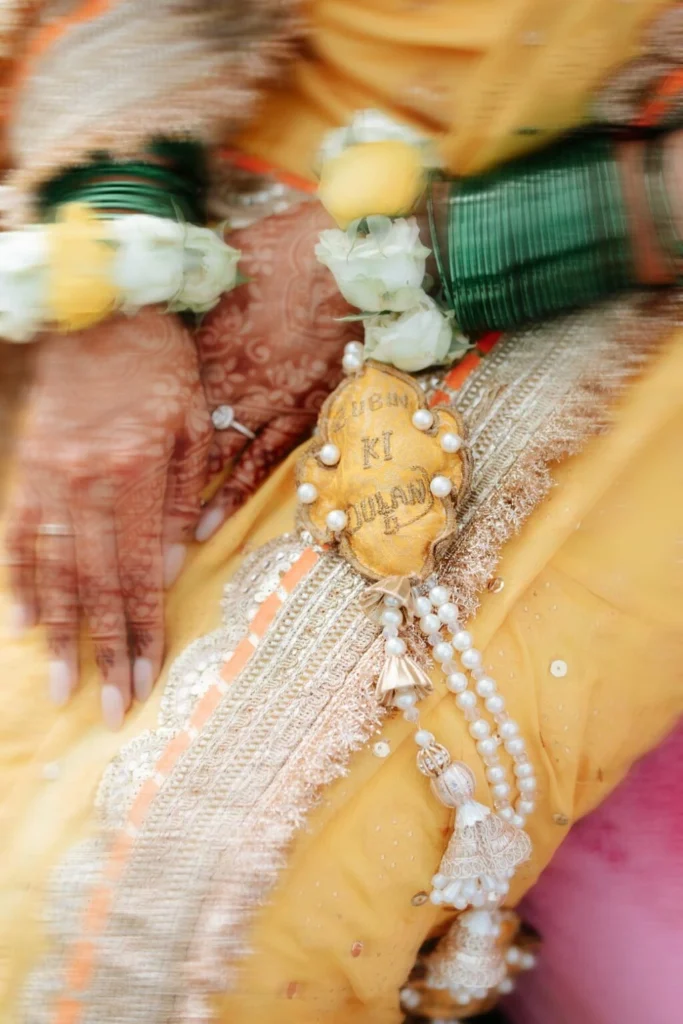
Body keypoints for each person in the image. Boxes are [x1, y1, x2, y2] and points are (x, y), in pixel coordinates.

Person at [0, 2, 681, 1022]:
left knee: (182, 943)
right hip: (203, 174)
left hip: (618, 295)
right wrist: (112, 276)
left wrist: (427, 254)